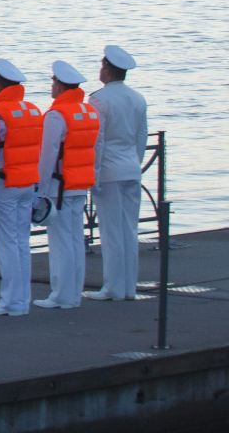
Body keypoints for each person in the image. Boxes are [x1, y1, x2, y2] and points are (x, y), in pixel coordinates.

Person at [35, 60, 100, 309]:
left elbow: (48, 155)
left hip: (57, 187)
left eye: (53, 82)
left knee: (61, 241)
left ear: (60, 85)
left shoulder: (56, 115)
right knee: (75, 239)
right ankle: (74, 292)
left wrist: (40, 188)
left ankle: (61, 294)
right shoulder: (87, 111)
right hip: (79, 183)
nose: (52, 86)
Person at [88, 44, 149, 300]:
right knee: (129, 230)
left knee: (112, 231)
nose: (100, 70)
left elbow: (98, 140)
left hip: (110, 171)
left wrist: (95, 172)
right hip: (131, 168)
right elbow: (141, 136)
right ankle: (129, 287)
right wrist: (135, 162)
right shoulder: (137, 98)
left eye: (102, 66)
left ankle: (113, 287)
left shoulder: (98, 99)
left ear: (109, 70)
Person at [0, 58, 43, 316]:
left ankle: (10, 300)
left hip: (5, 182)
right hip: (28, 181)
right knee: (22, 241)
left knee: (7, 242)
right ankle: (23, 298)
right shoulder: (32, 110)